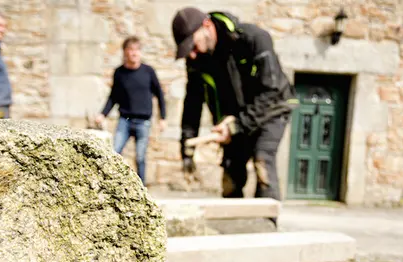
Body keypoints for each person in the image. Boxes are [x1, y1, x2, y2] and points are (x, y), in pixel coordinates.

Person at [171, 7, 296, 203]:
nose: (192, 54)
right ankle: (231, 225)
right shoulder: (197, 62)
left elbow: (272, 92)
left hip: (272, 110)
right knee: (231, 171)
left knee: (262, 159)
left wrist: (236, 125)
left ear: (207, 26)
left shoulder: (252, 38)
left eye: (193, 45)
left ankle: (266, 224)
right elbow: (192, 105)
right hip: (234, 118)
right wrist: (187, 150)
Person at [96, 36, 167, 184]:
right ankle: (112, 184)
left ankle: (142, 190)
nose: (133, 53)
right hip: (125, 120)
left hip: (143, 121)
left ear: (140, 52)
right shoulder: (119, 73)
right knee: (115, 152)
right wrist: (102, 114)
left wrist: (163, 118)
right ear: (125, 52)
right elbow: (113, 97)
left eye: (136, 50)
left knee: (140, 157)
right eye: (130, 50)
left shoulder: (148, 72)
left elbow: (160, 94)